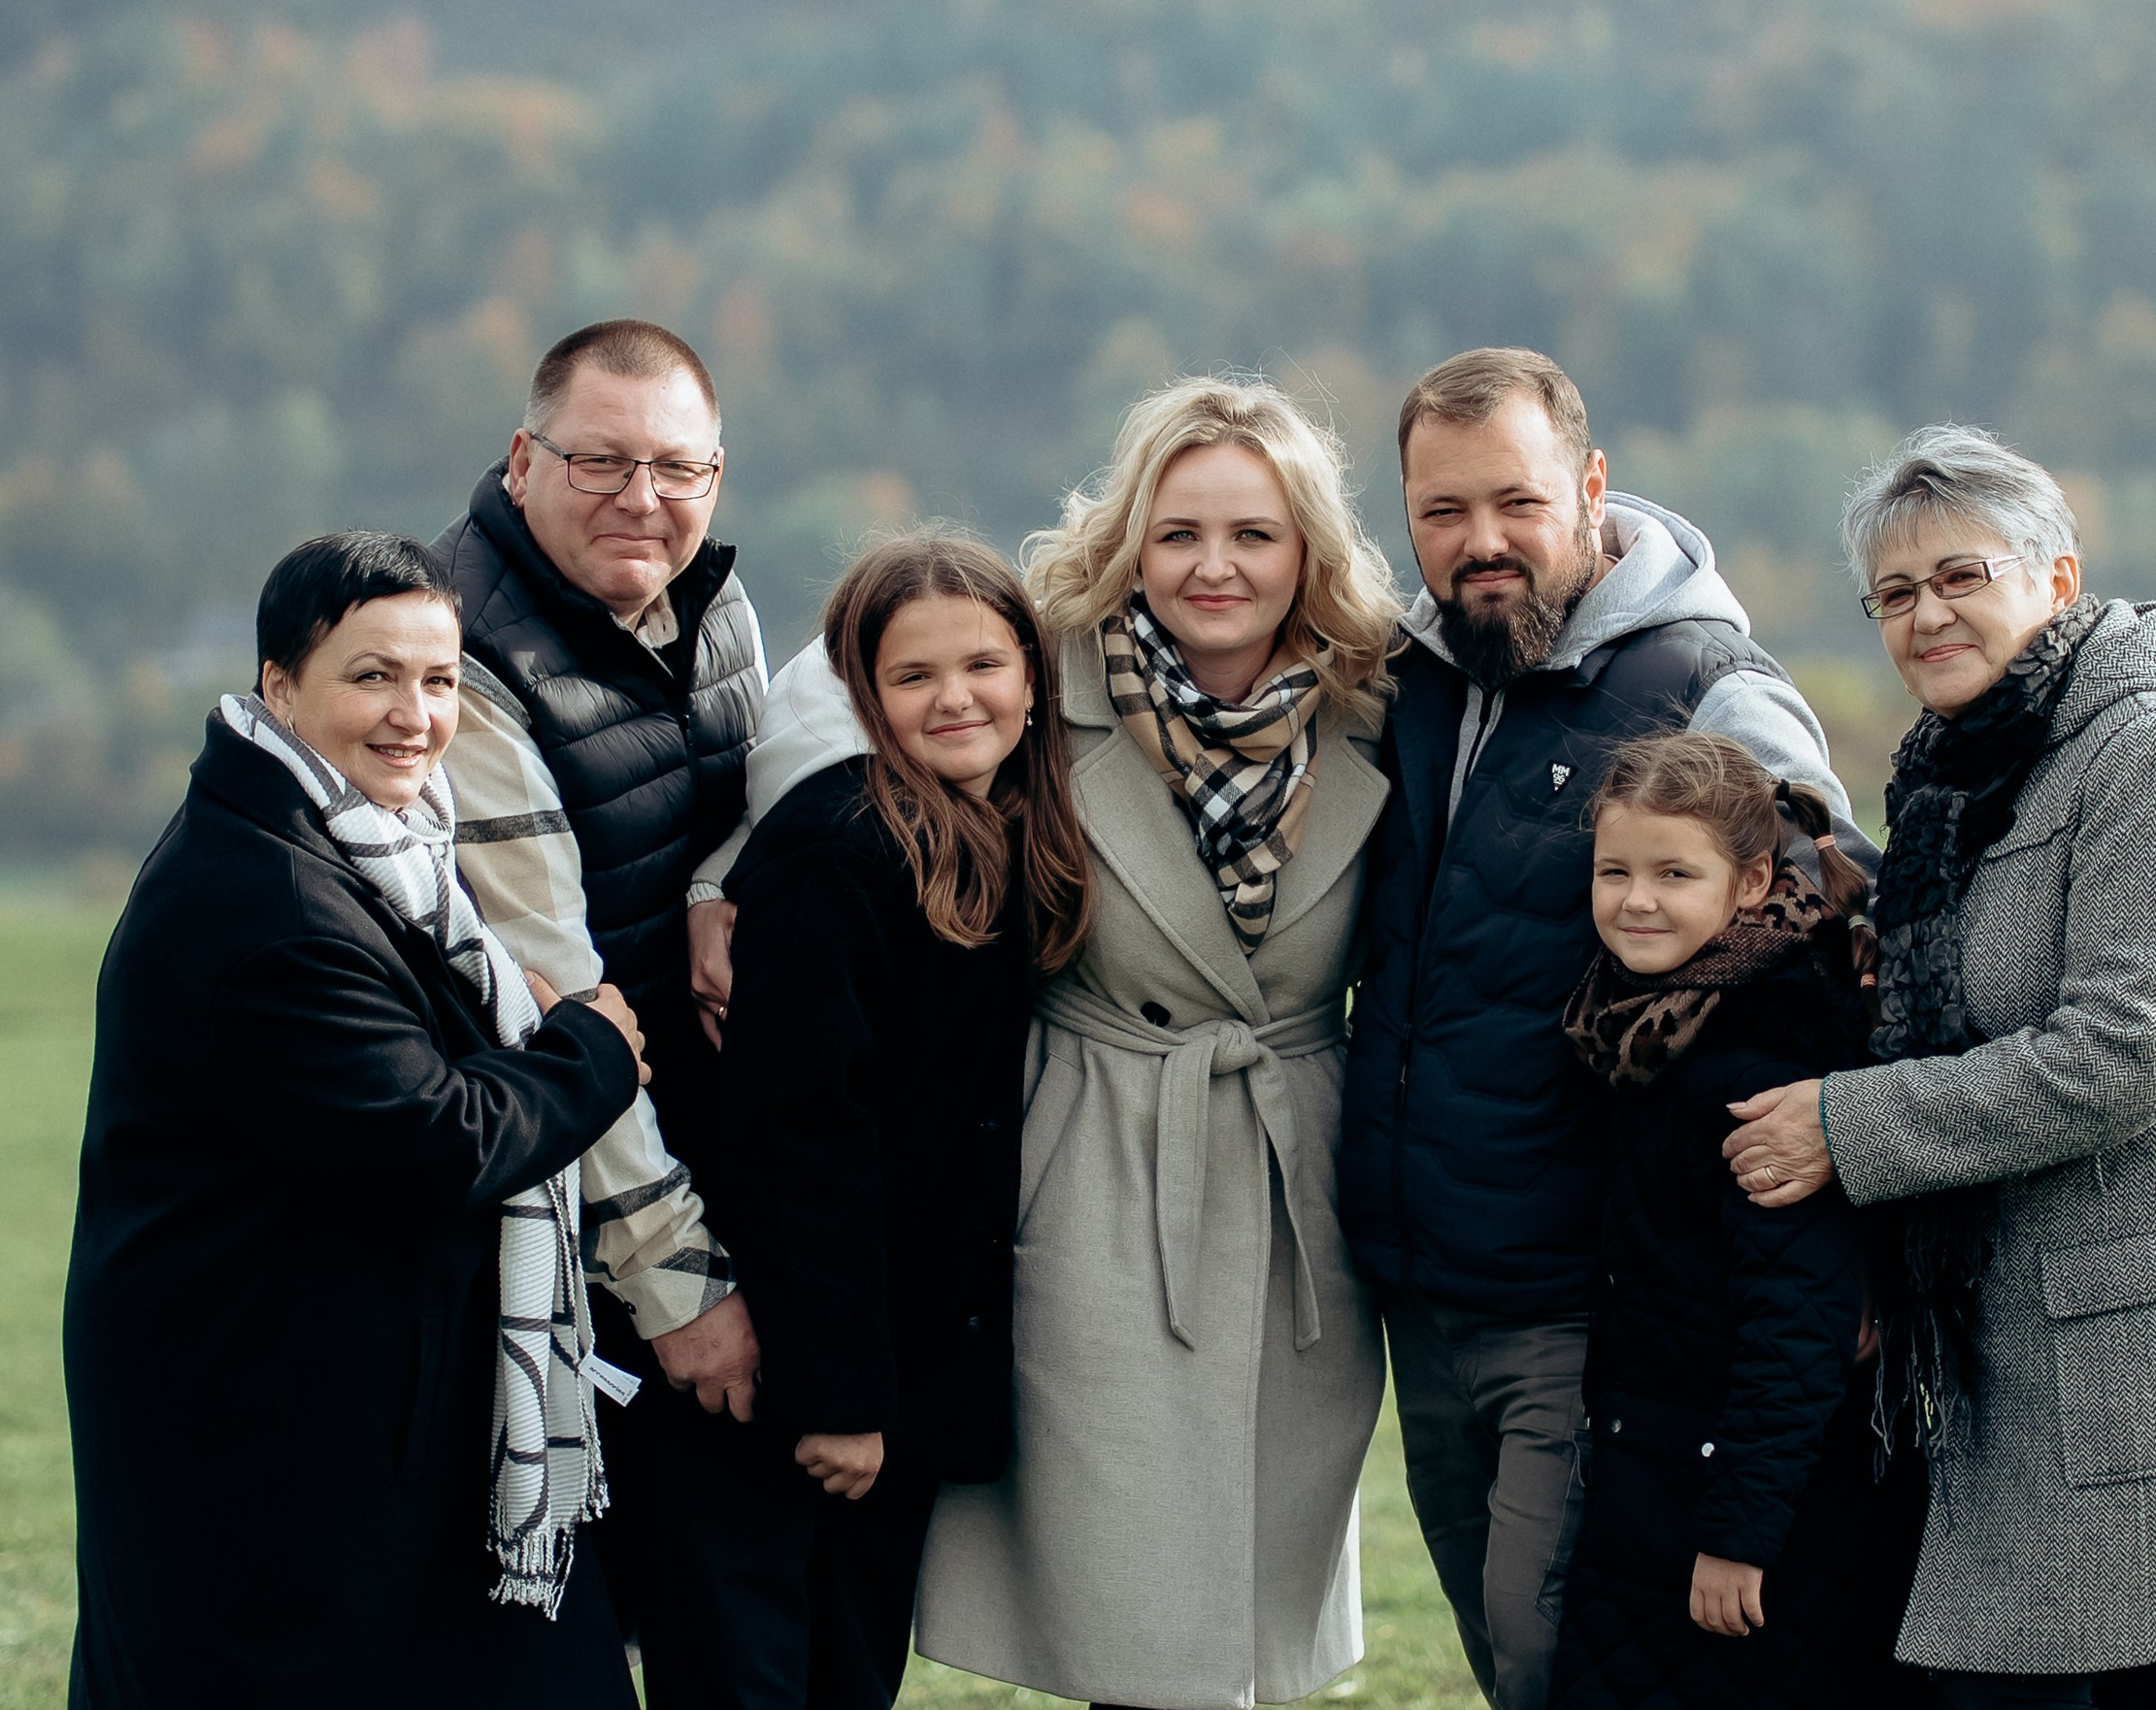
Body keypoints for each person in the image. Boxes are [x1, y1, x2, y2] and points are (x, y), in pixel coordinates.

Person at [1722, 424, 2156, 1706]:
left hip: (2133, 1357)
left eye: (1961, 576)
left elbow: (2126, 1053)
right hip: (2022, 1352)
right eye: (1894, 593)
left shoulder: (2151, 754)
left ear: (2058, 581)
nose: (1926, 613)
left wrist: (1853, 1123)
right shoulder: (1966, 778)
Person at [1337, 346, 1870, 1710]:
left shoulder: (1703, 677)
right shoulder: (1414, 676)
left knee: (1554, 1652)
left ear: (1589, 486)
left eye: (1515, 502)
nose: (1481, 542)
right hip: (1419, 1283)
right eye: (1442, 512)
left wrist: (1760, 1113)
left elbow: (1834, 898)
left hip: (1586, 1289)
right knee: (1497, 1646)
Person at [65, 533, 651, 1710]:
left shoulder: (376, 852)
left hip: (340, 1414)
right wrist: (593, 1050)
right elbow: (435, 1140)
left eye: (437, 681)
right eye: (371, 676)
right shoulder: (274, 902)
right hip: (262, 1438)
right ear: (280, 684)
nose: (413, 716)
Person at [899, 377, 1402, 1710]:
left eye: (1253, 532)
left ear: (1308, 546)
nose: (1215, 566)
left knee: (1244, 1605)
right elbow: (829, 715)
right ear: (1130, 538)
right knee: (1138, 1615)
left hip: (1297, 1173)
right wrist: (722, 885)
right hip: (1098, 1160)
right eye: (1179, 532)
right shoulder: (1032, 673)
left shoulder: (1382, 704)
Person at [678, 533, 1095, 1710]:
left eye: (982, 664)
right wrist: (845, 1399)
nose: (954, 697)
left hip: (900, 1351)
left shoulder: (993, 827)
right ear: (863, 694)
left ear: (1031, 675)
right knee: (801, 1667)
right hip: (818, 1371)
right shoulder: (837, 848)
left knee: (853, 1662)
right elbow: (804, 1138)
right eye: (912, 677)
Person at [428, 318, 771, 1686]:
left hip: (708, 1183)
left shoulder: (712, 603)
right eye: (602, 460)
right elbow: (555, 1006)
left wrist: (722, 874)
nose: (645, 497)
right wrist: (679, 1287)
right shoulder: (466, 659)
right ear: (523, 461)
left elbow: (781, 791)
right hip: (557, 1242)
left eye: (678, 468)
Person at [1547, 733, 1896, 1710]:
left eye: (1673, 872)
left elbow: (1800, 1322)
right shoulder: (1640, 1027)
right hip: (1651, 1483)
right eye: (1613, 870)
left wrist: (1738, 1535)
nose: (1636, 898)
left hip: (1736, 1515)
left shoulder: (1756, 1061)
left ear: (1748, 884)